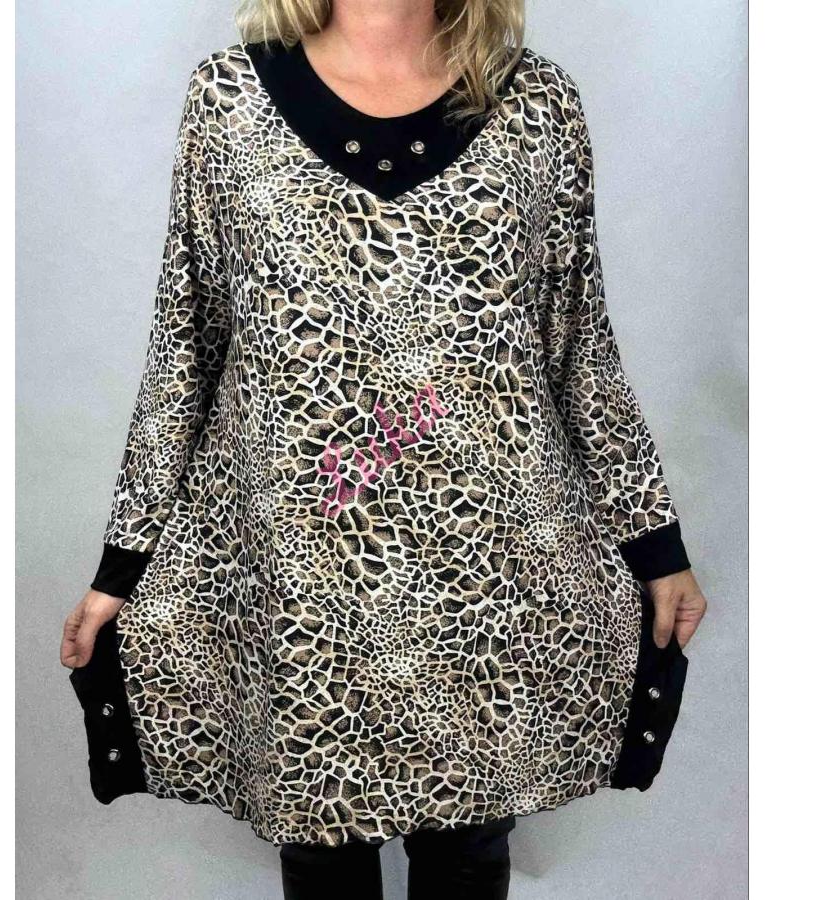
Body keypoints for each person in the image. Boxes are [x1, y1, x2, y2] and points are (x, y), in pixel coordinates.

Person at [60, 2, 708, 898]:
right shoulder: (229, 97)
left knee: (470, 845)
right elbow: (187, 346)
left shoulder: (538, 102)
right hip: (302, 576)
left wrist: (656, 545)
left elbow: (577, 343)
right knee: (319, 842)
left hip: (485, 574)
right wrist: (122, 565)